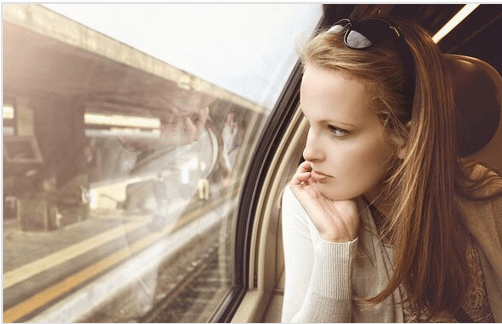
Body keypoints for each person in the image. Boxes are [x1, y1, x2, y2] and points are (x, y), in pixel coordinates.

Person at [281, 16, 502, 323]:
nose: (308, 152)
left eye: (337, 130)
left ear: (406, 139)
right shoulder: (306, 203)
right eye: (310, 122)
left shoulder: (488, 196)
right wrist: (335, 244)